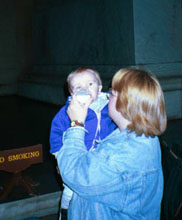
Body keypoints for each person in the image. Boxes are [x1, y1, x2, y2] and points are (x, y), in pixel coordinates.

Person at [57, 68, 167, 220]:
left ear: (125, 104)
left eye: (112, 94)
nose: (108, 98)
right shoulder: (139, 136)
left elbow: (73, 174)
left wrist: (77, 123)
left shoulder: (122, 152)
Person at [49, 68, 116, 218]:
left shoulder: (109, 107)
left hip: (102, 160)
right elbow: (56, 131)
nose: (84, 89)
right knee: (70, 191)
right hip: (76, 158)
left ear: (99, 88)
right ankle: (66, 212)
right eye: (78, 87)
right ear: (71, 93)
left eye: (90, 84)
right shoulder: (67, 110)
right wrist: (58, 154)